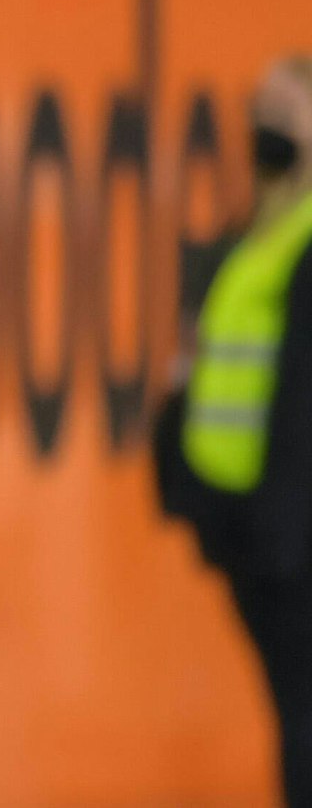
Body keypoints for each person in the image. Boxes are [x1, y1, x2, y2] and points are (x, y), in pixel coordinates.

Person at [155, 55, 312, 807]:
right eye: (262, 113)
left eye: (287, 116)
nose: (267, 131)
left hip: (292, 543)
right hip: (255, 538)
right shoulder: (250, 238)